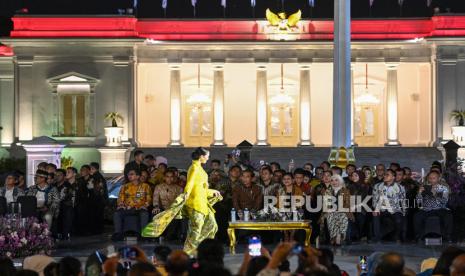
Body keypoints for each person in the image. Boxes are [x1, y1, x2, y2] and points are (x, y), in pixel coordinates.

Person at [142, 147, 222, 256]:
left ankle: (203, 248)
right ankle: (188, 253)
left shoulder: (200, 168)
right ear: (202, 156)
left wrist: (212, 191)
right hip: (195, 204)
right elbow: (190, 184)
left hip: (203, 202)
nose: (208, 158)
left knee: (212, 226)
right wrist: (185, 195)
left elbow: (199, 188)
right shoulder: (194, 168)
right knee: (195, 230)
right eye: (207, 156)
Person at [113, 168, 152, 241]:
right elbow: (120, 198)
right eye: (128, 174)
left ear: (137, 176)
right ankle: (118, 233)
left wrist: (144, 206)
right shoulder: (125, 186)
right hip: (127, 208)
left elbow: (148, 199)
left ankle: (144, 234)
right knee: (117, 213)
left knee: (144, 214)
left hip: (139, 208)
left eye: (131, 174)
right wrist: (121, 205)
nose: (129, 176)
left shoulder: (145, 186)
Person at [414, 171, 453, 242]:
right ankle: (418, 236)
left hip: (439, 208)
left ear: (438, 178)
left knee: (448, 215)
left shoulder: (444, 188)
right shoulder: (424, 187)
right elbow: (418, 202)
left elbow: (444, 201)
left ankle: (448, 235)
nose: (431, 180)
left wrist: (435, 194)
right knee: (417, 216)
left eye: (434, 178)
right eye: (430, 178)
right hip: (426, 209)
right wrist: (419, 193)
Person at [372, 169, 406, 242]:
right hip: (381, 208)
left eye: (387, 175)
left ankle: (396, 236)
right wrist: (376, 208)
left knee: (399, 219)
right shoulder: (378, 186)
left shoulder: (400, 187)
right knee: (375, 216)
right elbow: (375, 199)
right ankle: (377, 238)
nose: (384, 176)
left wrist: (403, 212)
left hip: (395, 209)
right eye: (384, 174)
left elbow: (403, 200)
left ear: (393, 177)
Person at [320, 175, 353, 246]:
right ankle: (334, 237)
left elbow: (347, 204)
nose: (334, 182)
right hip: (330, 211)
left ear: (340, 181)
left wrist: (337, 209)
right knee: (330, 215)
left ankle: (338, 238)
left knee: (342, 216)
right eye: (332, 180)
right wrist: (329, 209)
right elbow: (325, 204)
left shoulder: (345, 191)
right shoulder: (327, 191)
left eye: (336, 180)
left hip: (344, 211)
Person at [152, 170, 183, 240]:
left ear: (174, 178)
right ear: (164, 178)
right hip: (161, 208)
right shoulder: (158, 187)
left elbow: (179, 202)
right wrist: (156, 206)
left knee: (176, 215)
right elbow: (155, 198)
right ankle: (156, 235)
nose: (169, 179)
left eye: (171, 177)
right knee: (156, 212)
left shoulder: (179, 188)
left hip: (173, 209)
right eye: (167, 177)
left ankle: (169, 236)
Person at [47, 169, 74, 240]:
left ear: (64, 177)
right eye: (56, 175)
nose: (57, 176)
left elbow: (62, 198)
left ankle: (64, 237)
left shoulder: (68, 186)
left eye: (59, 175)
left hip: (65, 209)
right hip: (55, 209)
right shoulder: (52, 186)